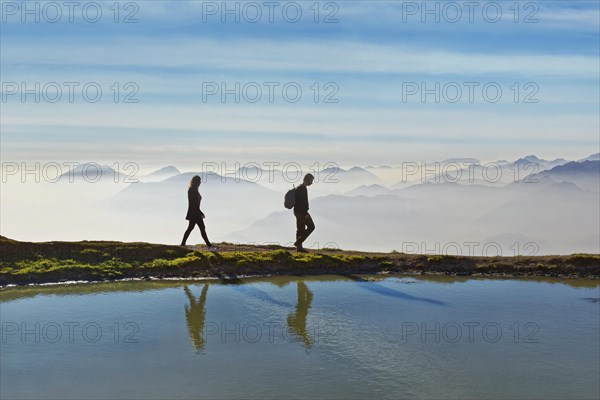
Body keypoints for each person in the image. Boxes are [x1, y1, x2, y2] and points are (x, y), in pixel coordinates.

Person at [180, 175, 218, 250]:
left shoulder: (194, 189)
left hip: (194, 212)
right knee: (201, 228)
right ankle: (209, 245)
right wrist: (200, 212)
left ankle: (183, 244)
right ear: (196, 182)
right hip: (195, 212)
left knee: (191, 228)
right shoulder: (192, 190)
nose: (200, 182)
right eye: (199, 181)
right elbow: (193, 204)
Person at [293, 173, 315, 253]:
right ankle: (298, 243)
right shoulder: (302, 189)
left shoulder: (299, 187)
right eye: (311, 180)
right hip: (302, 212)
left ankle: (299, 248)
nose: (312, 183)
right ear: (307, 179)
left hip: (296, 212)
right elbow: (303, 203)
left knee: (300, 229)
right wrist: (306, 213)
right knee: (311, 227)